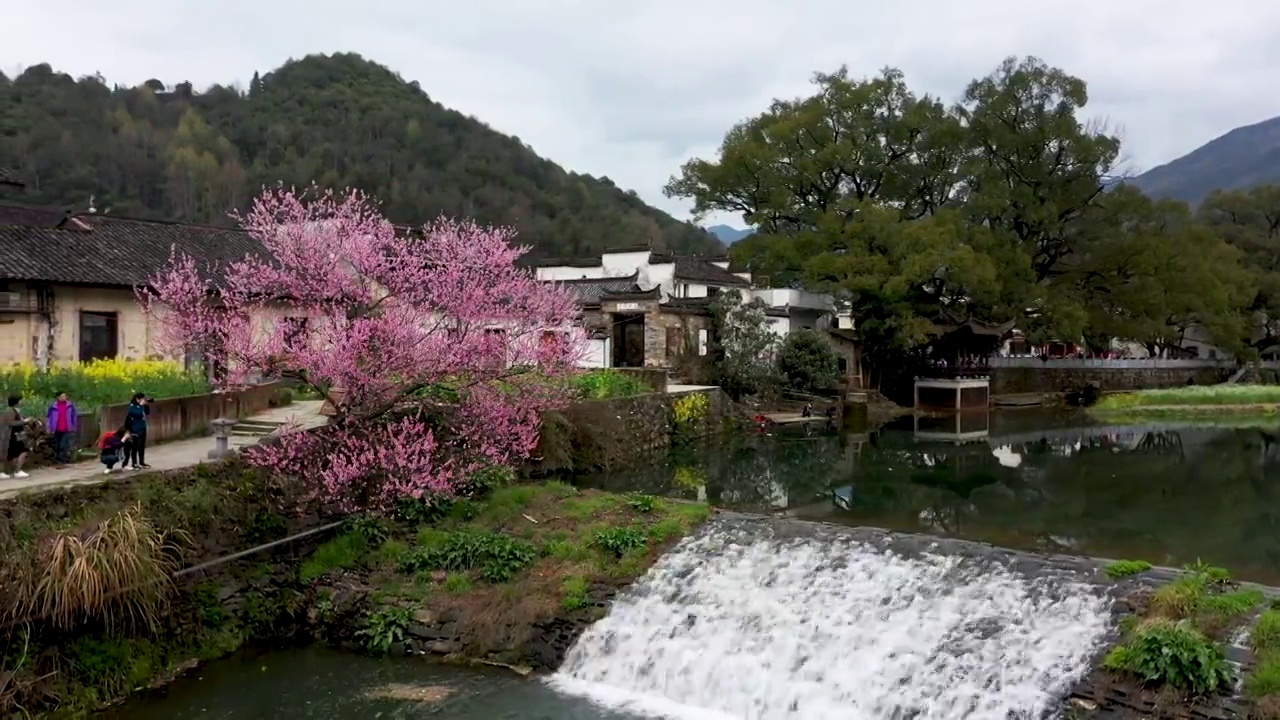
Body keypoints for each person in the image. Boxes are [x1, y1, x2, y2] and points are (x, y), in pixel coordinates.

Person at [46, 391, 80, 468]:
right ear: (58, 397)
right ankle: (58, 460)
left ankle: (61, 461)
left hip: (67, 428)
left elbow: (74, 416)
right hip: (57, 428)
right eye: (61, 397)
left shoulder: (70, 406)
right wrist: (49, 427)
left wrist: (74, 427)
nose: (63, 398)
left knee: (63, 445)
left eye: (65, 396)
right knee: (57, 445)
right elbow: (49, 417)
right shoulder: (53, 406)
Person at [0, 395, 30, 479]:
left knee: (17, 453)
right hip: (14, 435)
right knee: (23, 451)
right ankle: (17, 471)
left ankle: (16, 470)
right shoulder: (10, 411)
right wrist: (24, 421)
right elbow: (11, 423)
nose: (23, 402)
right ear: (17, 402)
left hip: (18, 434)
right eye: (21, 400)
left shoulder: (16, 411)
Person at [124, 393, 151, 470]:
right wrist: (142, 405)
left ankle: (141, 462)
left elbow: (147, 413)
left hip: (143, 428)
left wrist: (146, 405)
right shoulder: (132, 407)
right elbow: (138, 413)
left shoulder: (141, 406)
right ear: (137, 399)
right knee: (135, 447)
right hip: (135, 429)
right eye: (142, 399)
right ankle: (134, 463)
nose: (143, 400)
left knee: (142, 446)